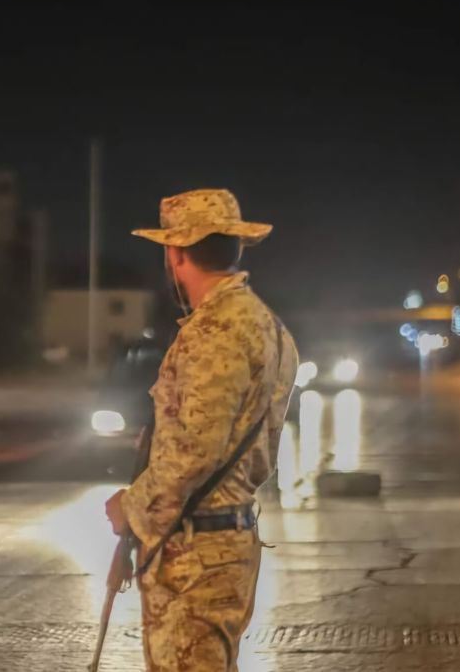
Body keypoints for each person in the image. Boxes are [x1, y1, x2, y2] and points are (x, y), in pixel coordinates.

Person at [104, 189, 297, 672]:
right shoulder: (268, 326)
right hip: (223, 545)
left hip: (196, 557)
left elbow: (193, 451)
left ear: (176, 252)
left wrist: (131, 507)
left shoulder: (215, 331)